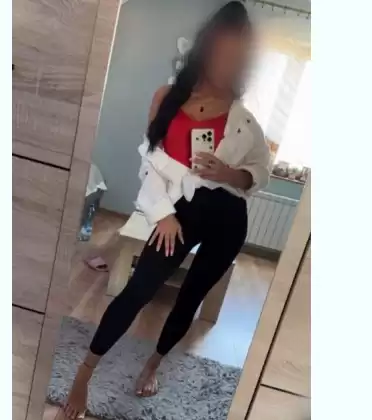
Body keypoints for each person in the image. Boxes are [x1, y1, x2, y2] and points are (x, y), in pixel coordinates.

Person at [59, 2, 271, 419]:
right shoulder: (168, 98)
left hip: (228, 217)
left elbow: (261, 171)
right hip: (178, 212)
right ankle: (83, 375)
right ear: (206, 49)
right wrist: (163, 215)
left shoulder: (244, 120)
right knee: (138, 290)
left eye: (237, 57)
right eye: (223, 53)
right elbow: (150, 164)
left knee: (190, 297)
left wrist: (230, 173)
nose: (228, 63)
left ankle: (153, 364)